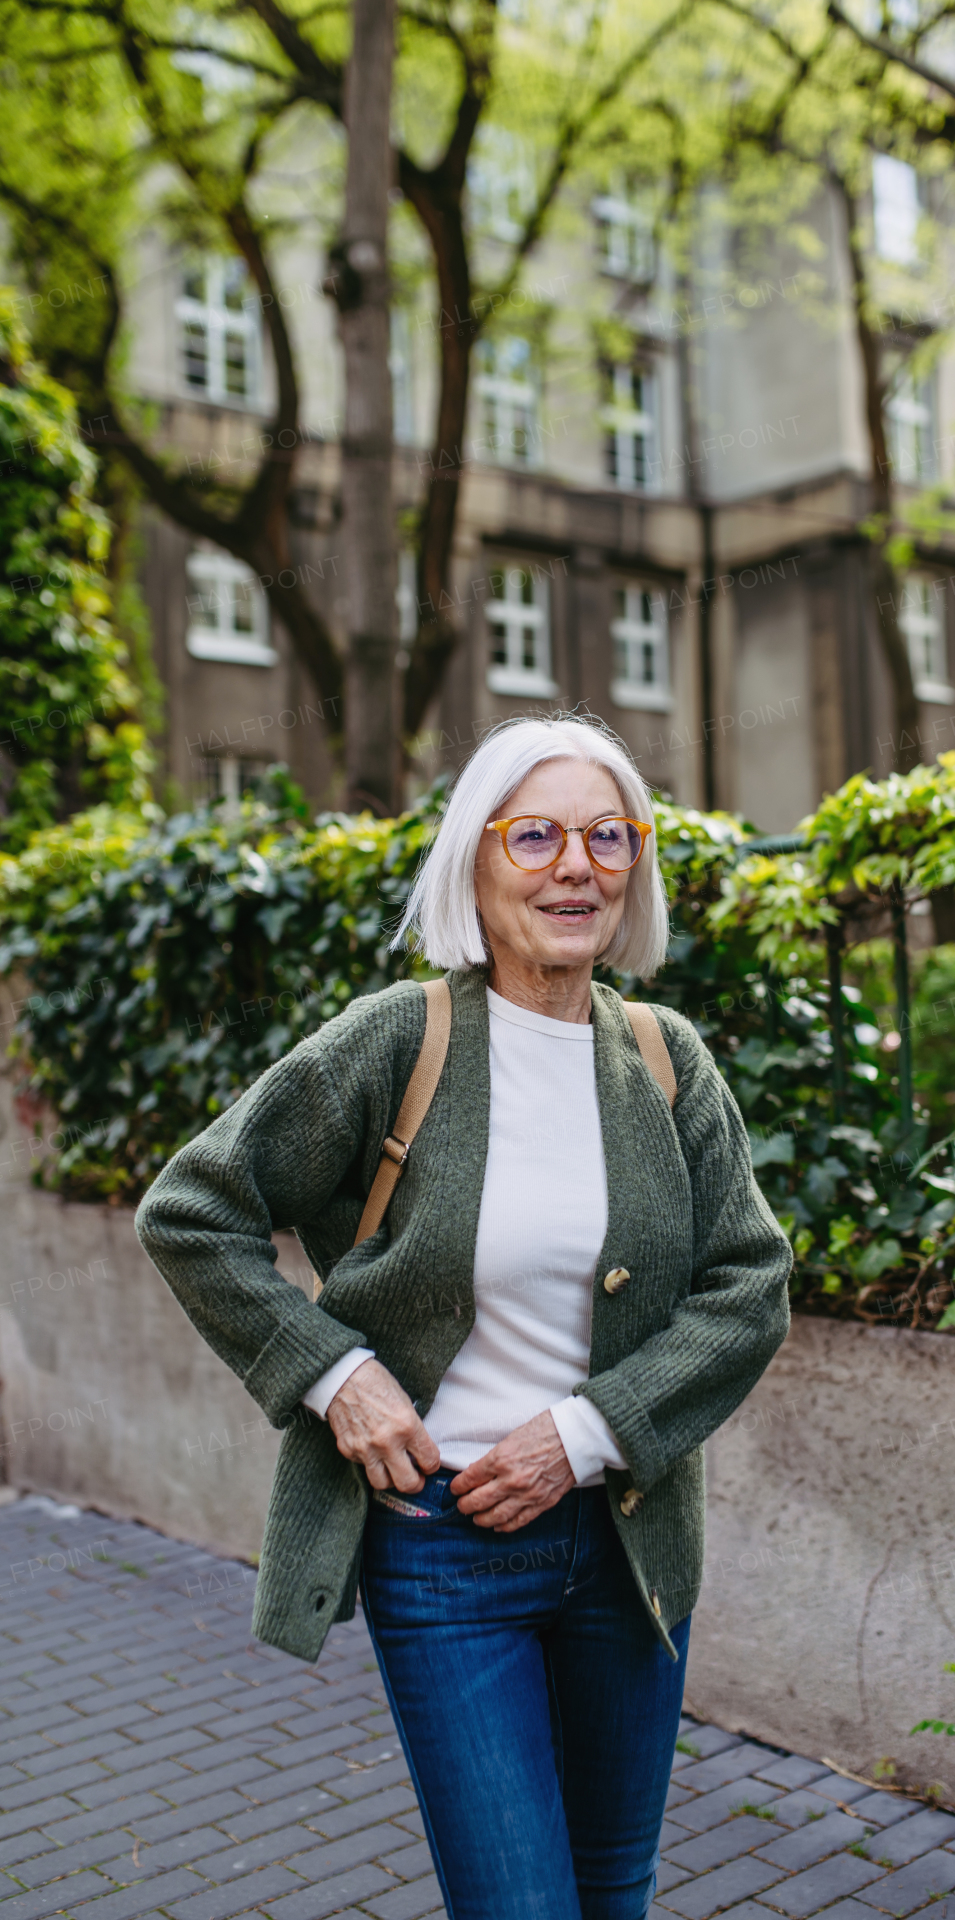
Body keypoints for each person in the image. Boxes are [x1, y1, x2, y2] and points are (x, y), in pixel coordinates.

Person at [136, 713, 792, 1920]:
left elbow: (749, 1283)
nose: (575, 865)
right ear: (475, 860)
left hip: (625, 1541)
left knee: (613, 1894)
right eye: (534, 833)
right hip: (443, 1550)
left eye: (608, 835)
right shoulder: (402, 1040)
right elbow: (191, 1210)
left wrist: (585, 1435)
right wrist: (337, 1375)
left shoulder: (662, 1057)